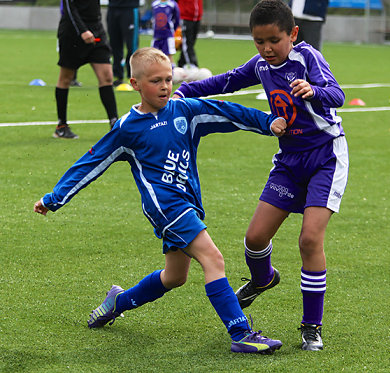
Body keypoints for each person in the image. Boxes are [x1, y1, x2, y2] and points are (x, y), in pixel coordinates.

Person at [33, 47, 286, 354]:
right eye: (155, 81)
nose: (165, 86)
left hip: (188, 203)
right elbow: (91, 162)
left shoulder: (184, 111)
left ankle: (117, 301)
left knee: (174, 277)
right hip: (165, 208)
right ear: (136, 84)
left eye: (168, 79)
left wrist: (267, 122)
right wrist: (54, 198)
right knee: (213, 259)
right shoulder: (127, 128)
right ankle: (241, 333)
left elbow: (226, 111)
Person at [173, 0, 348, 351]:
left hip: (325, 158)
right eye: (259, 41)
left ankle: (311, 326)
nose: (267, 48)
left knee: (309, 239)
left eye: (274, 40)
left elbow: (337, 95)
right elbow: (225, 82)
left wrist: (314, 91)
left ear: (293, 35)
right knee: (255, 239)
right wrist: (182, 93)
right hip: (289, 161)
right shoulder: (261, 65)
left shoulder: (307, 58)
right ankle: (263, 279)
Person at [55, 0, 118, 139]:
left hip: (96, 29)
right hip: (73, 33)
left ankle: (115, 124)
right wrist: (82, 30)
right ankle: (61, 126)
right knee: (65, 78)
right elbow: (69, 7)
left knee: (107, 76)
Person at [107, 0, 140, 87]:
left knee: (131, 46)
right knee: (114, 44)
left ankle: (133, 76)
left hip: (130, 8)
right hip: (112, 8)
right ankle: (118, 77)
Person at [151, 0, 181, 65]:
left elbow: (177, 19)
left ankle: (171, 72)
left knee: (168, 55)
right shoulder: (154, 4)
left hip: (167, 35)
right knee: (153, 55)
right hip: (156, 35)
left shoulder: (172, 4)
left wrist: (172, 29)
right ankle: (155, 72)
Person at [177, 0, 203, 68]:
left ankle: (181, 64)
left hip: (197, 18)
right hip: (185, 17)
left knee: (191, 43)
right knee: (188, 43)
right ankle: (193, 66)